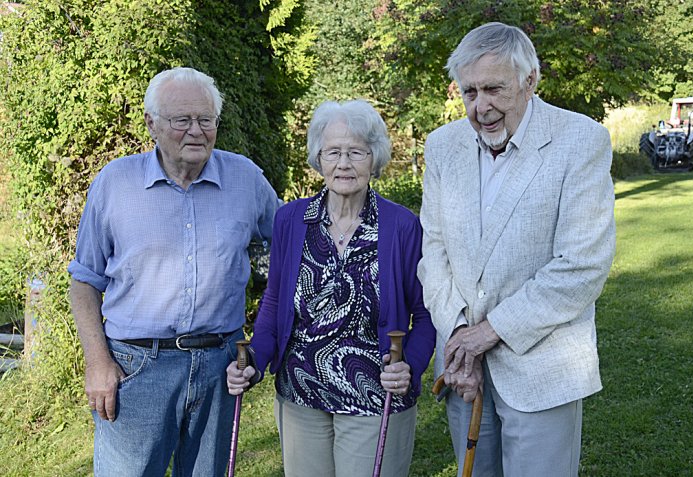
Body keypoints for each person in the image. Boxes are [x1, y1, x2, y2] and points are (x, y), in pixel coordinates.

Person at [417, 23, 616, 477]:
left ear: (530, 81)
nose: (480, 107)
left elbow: (582, 265)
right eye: (469, 92)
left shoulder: (580, 140)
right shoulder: (442, 146)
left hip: (543, 368)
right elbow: (435, 254)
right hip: (461, 367)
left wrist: (488, 333)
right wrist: (460, 335)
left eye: (493, 89)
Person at [67, 67, 280, 477]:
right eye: (182, 120)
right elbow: (84, 280)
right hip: (136, 368)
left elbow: (292, 250)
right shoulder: (115, 183)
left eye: (206, 120)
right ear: (152, 124)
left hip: (221, 366)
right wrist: (97, 362)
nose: (196, 131)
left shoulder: (246, 179)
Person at [226, 99, 435, 477]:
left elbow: (424, 314)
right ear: (318, 159)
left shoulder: (402, 227)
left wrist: (411, 366)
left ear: (375, 158)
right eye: (333, 152)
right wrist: (254, 360)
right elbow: (274, 303)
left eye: (356, 152)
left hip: (376, 396)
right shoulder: (291, 220)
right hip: (300, 397)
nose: (343, 164)